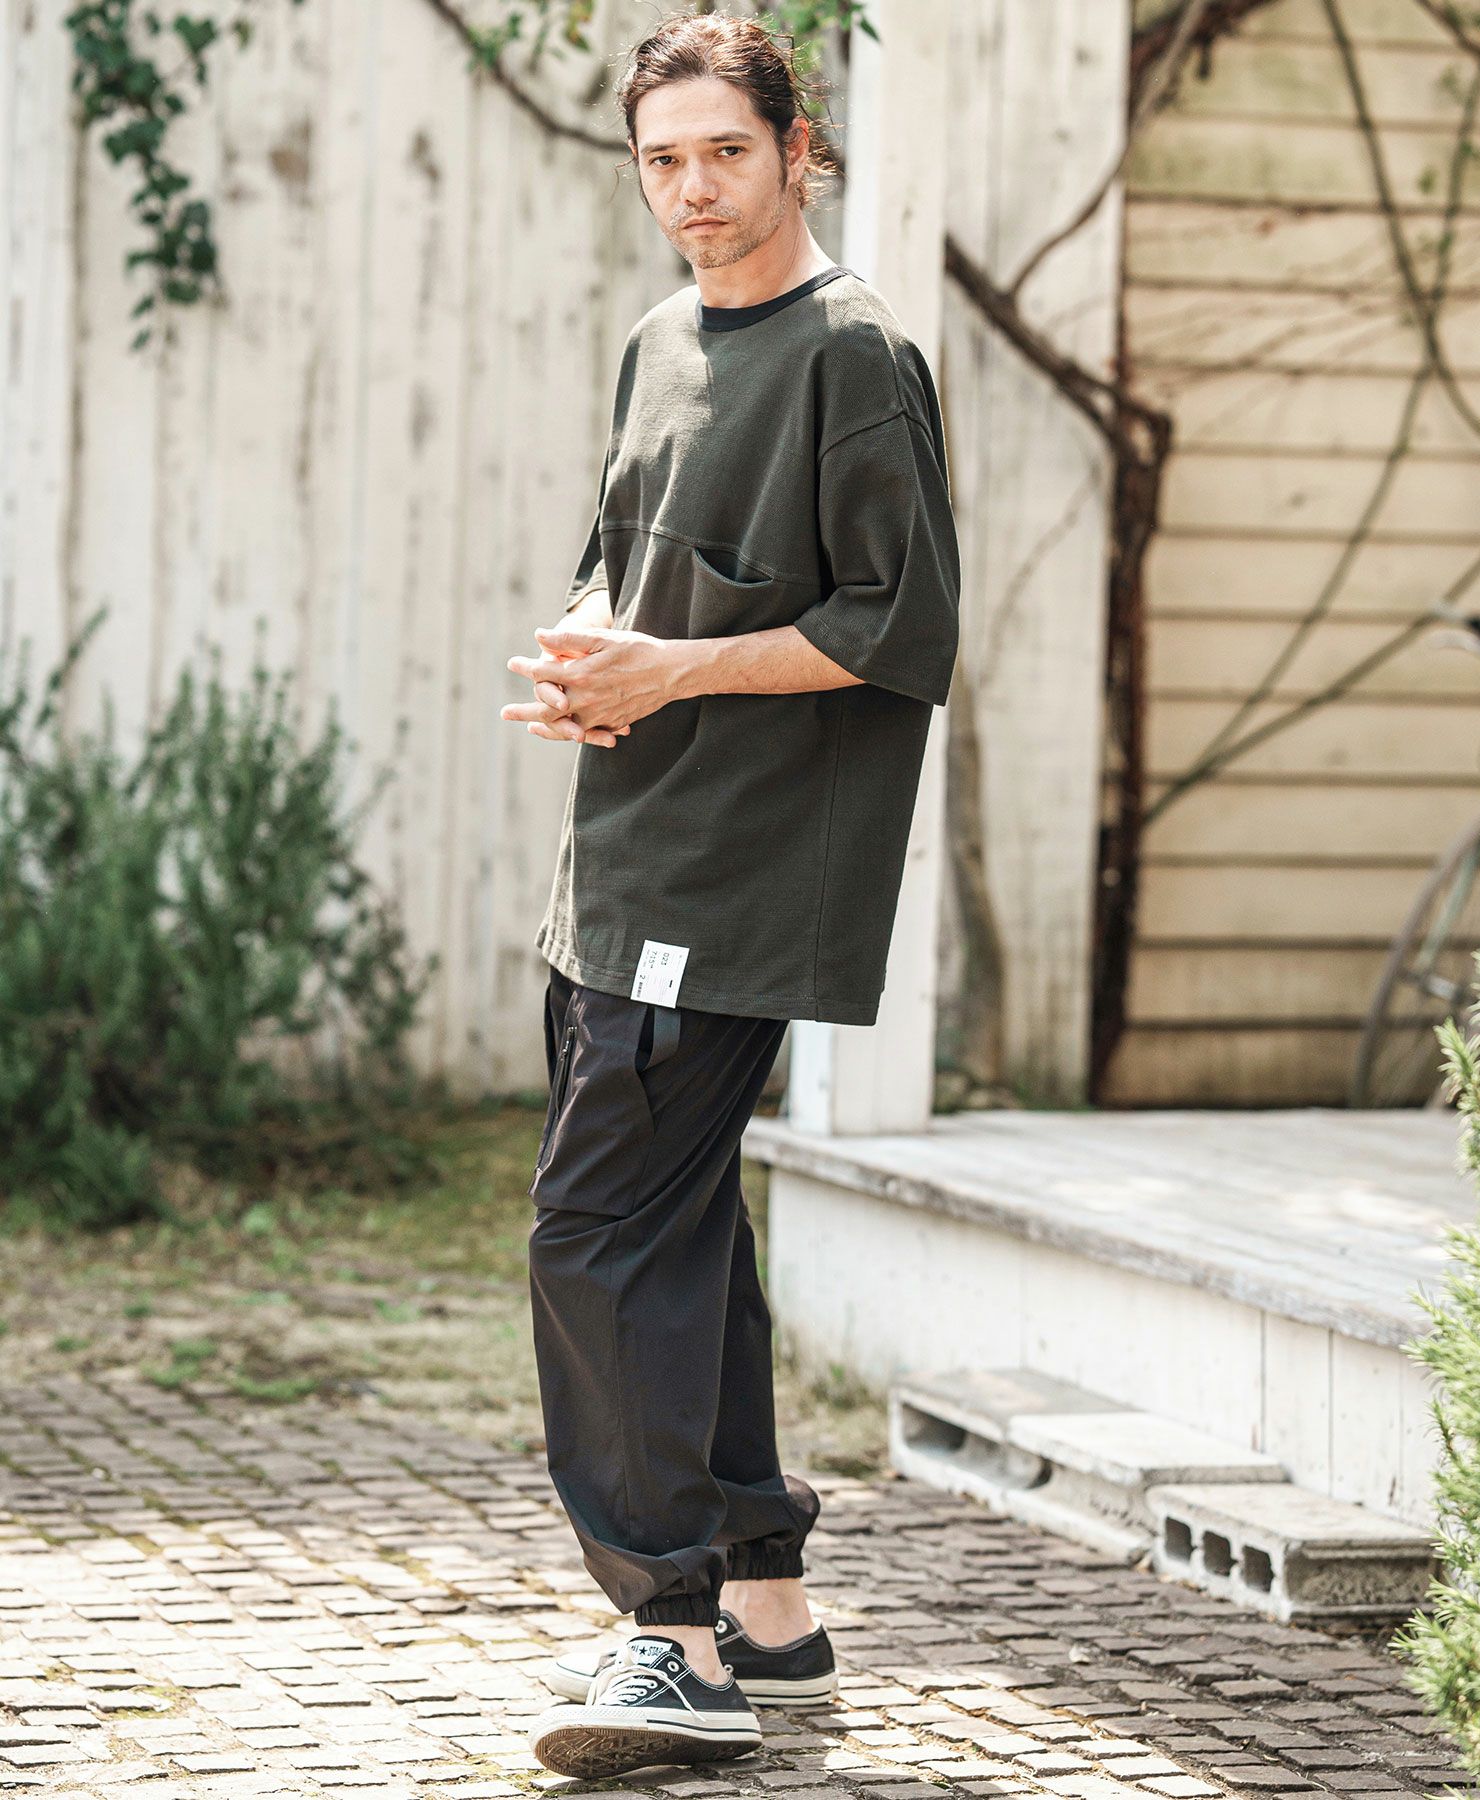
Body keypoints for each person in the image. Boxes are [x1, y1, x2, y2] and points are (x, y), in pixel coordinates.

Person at [499, 12, 962, 1782]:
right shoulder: (657, 341)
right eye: (663, 160)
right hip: (619, 856)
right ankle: (768, 1605)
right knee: (677, 1230)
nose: (693, 190)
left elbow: (896, 627)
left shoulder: (857, 355)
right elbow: (622, 566)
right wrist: (587, 656)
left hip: (739, 874)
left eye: (725, 153)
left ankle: (668, 1639)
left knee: (595, 1237)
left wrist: (675, 671)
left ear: (797, 150)